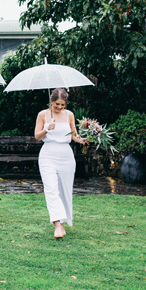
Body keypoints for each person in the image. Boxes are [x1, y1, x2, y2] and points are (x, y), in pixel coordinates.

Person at [34, 88, 86, 239]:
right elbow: (37, 136)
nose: (60, 107)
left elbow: (73, 134)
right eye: (57, 104)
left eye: (63, 105)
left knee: (64, 190)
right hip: (48, 155)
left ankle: (62, 223)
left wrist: (82, 140)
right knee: (51, 189)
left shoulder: (69, 115)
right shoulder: (42, 114)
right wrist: (46, 129)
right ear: (52, 102)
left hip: (66, 156)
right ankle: (57, 224)